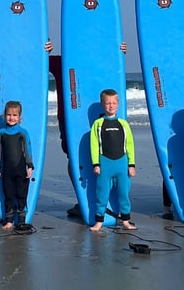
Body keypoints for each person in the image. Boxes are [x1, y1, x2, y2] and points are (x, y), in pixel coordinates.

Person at [46, 41, 127, 217]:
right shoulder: (61, 62)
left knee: (105, 155)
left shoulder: (95, 59)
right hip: (68, 119)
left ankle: (109, 201)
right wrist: (44, 48)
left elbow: (114, 70)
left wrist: (119, 51)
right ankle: (83, 199)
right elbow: (38, 62)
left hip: (96, 117)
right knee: (74, 157)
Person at [89, 88, 137, 232]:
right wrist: (95, 163)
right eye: (108, 103)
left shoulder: (123, 124)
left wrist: (131, 164)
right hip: (105, 163)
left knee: (124, 193)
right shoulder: (98, 124)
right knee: (102, 193)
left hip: (122, 164)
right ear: (102, 104)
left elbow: (129, 145)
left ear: (118, 104)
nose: (111, 105)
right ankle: (99, 221)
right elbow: (94, 145)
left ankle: (126, 220)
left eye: (114, 103)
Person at [0, 100, 34, 229]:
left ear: (19, 117)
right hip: (7, 171)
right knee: (8, 195)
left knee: (22, 195)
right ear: (5, 115)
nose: (11, 118)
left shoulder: (23, 132)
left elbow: (28, 149)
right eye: (9, 115)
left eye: (15, 115)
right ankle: (9, 220)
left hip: (21, 169)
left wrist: (30, 165)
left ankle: (21, 220)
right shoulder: (1, 133)